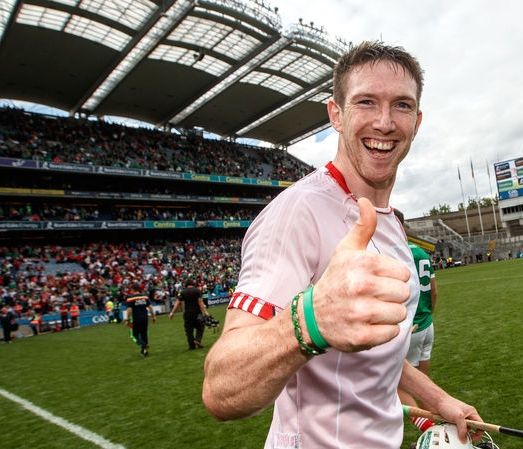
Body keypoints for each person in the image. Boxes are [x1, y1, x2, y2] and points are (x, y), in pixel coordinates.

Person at [202, 41, 482, 448]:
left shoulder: (389, 222)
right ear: (336, 113)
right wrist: (312, 319)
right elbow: (220, 389)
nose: (384, 122)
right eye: (366, 102)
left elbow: (378, 353)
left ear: (417, 122)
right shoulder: (297, 212)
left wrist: (438, 399)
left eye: (402, 105)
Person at [397, 240, 439, 434]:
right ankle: (435, 432)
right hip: (427, 324)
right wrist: (428, 315)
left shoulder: (394, 250)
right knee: (423, 384)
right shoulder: (421, 252)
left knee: (393, 383)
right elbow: (434, 292)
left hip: (409, 327)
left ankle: (428, 430)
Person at [169, 279, 210, 350]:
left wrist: (172, 313)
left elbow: (178, 302)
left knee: (189, 330)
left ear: (186, 285)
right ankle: (197, 339)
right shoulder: (197, 291)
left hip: (187, 313)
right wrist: (205, 311)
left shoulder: (183, 292)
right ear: (192, 284)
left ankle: (191, 346)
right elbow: (200, 302)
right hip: (197, 312)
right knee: (200, 326)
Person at [125, 283, 156, 356]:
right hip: (145, 318)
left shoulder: (130, 299)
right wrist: (153, 316)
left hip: (135, 319)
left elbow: (129, 310)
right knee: (144, 334)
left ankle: (144, 345)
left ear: (132, 289)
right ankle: (144, 352)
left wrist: (127, 320)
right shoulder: (145, 297)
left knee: (133, 335)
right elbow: (150, 307)